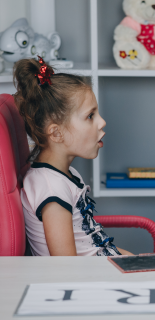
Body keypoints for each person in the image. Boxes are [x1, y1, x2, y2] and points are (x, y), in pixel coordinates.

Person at [15, 56, 133, 256]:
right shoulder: (52, 188)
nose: (102, 122)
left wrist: (135, 260)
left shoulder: (65, 175)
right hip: (90, 283)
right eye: (90, 116)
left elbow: (96, 246)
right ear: (56, 133)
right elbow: (67, 267)